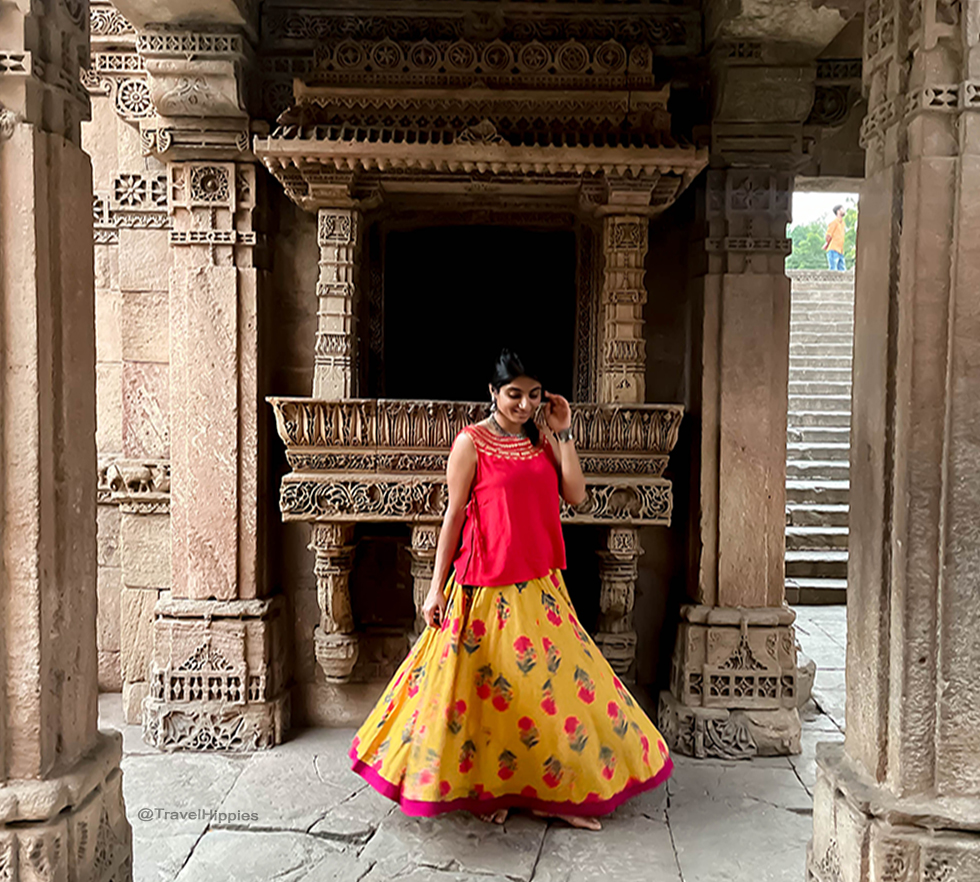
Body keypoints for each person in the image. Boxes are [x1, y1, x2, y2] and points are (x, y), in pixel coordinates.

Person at [349, 349, 673, 831]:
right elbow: (453, 516)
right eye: (514, 394)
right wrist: (435, 590)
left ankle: (544, 793)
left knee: (551, 691)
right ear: (492, 393)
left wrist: (563, 432)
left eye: (533, 395)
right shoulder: (471, 443)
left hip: (540, 584)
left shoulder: (542, 442)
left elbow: (577, 494)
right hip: (483, 585)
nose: (523, 404)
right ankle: (491, 789)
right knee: (482, 695)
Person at [823, 204, 847, 271]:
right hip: (833, 249)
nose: (844, 210)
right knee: (833, 269)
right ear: (838, 211)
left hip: (840, 251)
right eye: (843, 209)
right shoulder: (834, 222)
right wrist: (827, 243)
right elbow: (828, 235)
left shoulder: (842, 223)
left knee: (842, 270)